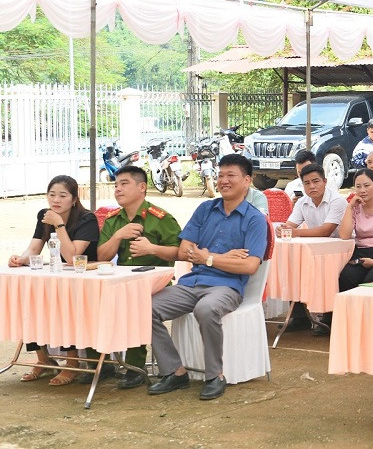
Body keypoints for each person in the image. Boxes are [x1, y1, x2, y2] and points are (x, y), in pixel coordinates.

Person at [148, 154, 267, 401]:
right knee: (146, 307)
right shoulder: (205, 209)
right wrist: (223, 256)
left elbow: (250, 266)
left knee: (206, 308)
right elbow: (184, 251)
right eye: (220, 175)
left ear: (247, 181)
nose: (223, 180)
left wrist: (208, 257)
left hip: (227, 287)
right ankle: (174, 371)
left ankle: (215, 376)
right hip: (192, 283)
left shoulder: (255, 219)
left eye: (230, 175)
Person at [8, 175, 99, 386]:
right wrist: (20, 259)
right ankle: (43, 359)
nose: (56, 200)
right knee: (28, 299)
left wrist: (59, 225)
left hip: (84, 280)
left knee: (63, 304)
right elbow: (34, 248)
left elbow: (72, 256)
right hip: (58, 276)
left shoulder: (87, 219)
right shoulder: (44, 215)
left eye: (62, 195)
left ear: (74, 199)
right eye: (51, 195)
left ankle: (72, 362)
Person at [96, 166, 181, 389]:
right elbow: (101, 257)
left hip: (156, 283)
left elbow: (180, 252)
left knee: (135, 303)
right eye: (115, 185)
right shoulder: (114, 220)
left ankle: (136, 367)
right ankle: (98, 363)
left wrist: (151, 249)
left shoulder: (160, 218)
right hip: (123, 281)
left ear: (142, 187)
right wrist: (117, 237)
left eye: (124, 184)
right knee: (93, 298)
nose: (118, 189)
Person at [281, 163, 348, 335]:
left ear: (325, 181)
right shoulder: (302, 202)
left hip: (340, 249)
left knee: (324, 270)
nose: (312, 186)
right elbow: (289, 225)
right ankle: (299, 316)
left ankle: (328, 316)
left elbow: (327, 230)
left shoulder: (337, 200)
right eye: (307, 183)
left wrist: (295, 232)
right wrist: (282, 228)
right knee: (291, 263)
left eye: (316, 181)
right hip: (314, 250)